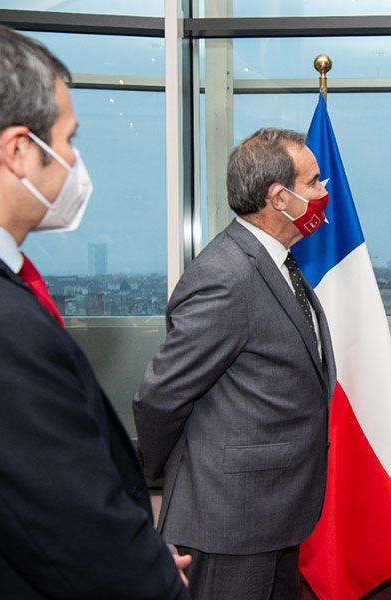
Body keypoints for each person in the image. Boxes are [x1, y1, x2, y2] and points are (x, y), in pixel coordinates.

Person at [0, 20, 190, 599]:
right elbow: (72, 529)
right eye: (67, 139)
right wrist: (149, 574)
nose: (74, 160)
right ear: (17, 151)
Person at [133, 127, 336, 600]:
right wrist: (177, 474)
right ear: (279, 198)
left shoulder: (278, 261)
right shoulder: (225, 275)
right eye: (312, 182)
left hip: (278, 510)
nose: (323, 192)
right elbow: (160, 396)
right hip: (229, 518)